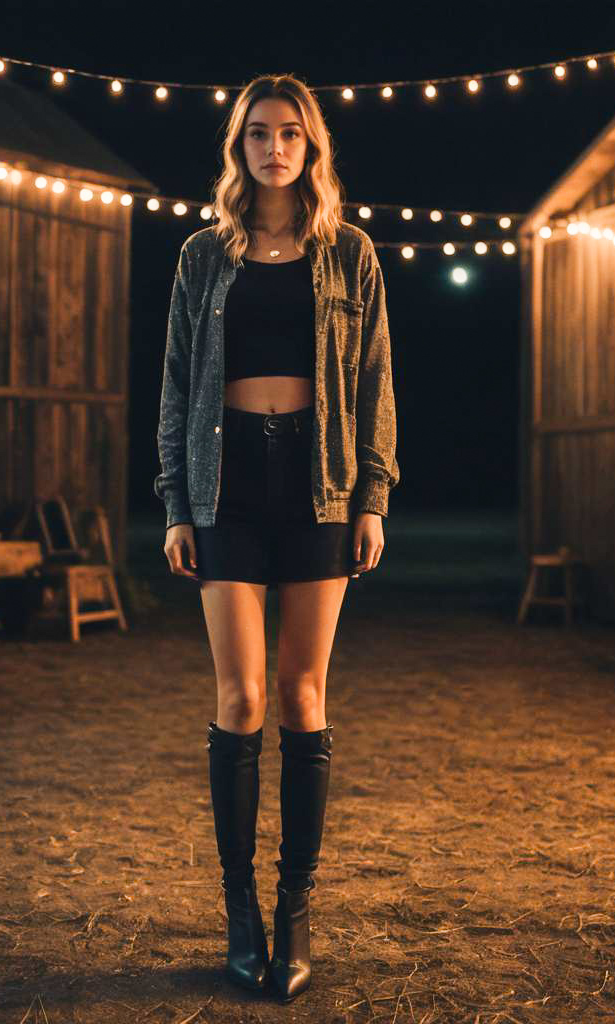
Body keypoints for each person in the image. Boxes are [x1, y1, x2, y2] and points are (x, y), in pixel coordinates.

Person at [153, 73, 399, 1002]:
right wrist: (176, 500)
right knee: (242, 692)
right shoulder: (202, 259)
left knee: (302, 693)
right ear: (238, 147)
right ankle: (240, 911)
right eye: (258, 133)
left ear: (311, 147)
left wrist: (372, 494)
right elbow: (176, 385)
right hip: (225, 488)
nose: (274, 148)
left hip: (320, 482)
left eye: (291, 133)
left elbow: (375, 377)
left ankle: (295, 909)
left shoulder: (352, 254)